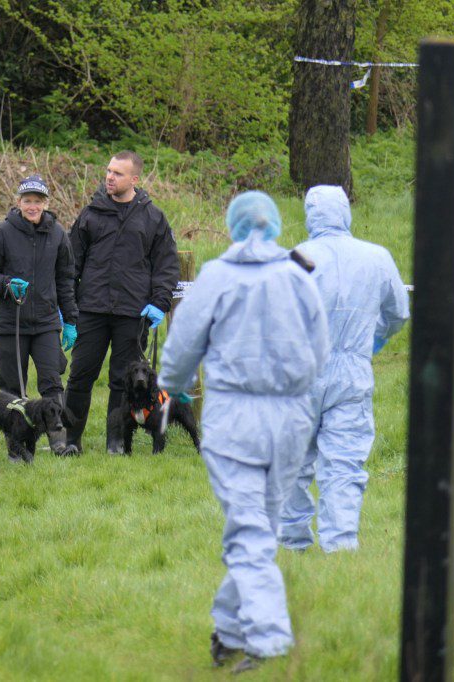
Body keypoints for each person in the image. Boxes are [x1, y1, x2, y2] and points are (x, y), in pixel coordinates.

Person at [158, 191, 329, 671]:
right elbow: (320, 352)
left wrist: (169, 389)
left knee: (250, 529)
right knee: (260, 527)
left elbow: (180, 348)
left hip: (235, 419)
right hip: (292, 419)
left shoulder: (216, 278)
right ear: (275, 224)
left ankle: (268, 637)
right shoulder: (299, 276)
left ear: (232, 227)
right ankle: (229, 631)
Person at [278, 185, 410, 553]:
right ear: (346, 212)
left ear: (309, 214)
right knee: (344, 462)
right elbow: (398, 312)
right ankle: (340, 546)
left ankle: (293, 542)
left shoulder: (295, 259)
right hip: (352, 373)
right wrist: (372, 343)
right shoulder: (377, 257)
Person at [63, 150, 179, 455]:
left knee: (122, 381)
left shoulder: (153, 217)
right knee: (80, 376)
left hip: (133, 313)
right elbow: (70, 264)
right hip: (91, 309)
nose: (110, 177)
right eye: (109, 171)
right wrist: (69, 307)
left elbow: (166, 265)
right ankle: (69, 439)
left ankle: (116, 443)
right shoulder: (91, 213)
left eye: (118, 173)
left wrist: (160, 302)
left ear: (134, 179)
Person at [0, 174, 78, 454]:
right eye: (27, 201)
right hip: (11, 324)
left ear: (46, 203)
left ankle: (59, 443)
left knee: (52, 381)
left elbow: (66, 279)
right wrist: (6, 284)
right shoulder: (1, 232)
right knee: (11, 387)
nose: (32, 206)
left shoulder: (58, 234)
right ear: (18, 202)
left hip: (46, 322)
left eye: (37, 201)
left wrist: (70, 320)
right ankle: (16, 448)